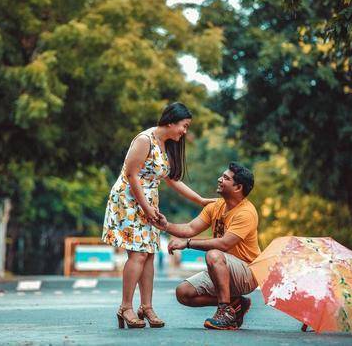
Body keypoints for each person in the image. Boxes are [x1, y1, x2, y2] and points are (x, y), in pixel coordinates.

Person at [101, 102, 215, 329]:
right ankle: (125, 307)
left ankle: (146, 306)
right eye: (184, 126)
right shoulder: (145, 140)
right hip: (129, 201)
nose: (185, 131)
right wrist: (145, 208)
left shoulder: (166, 145)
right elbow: (131, 175)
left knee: (150, 254)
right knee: (138, 256)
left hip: (148, 202)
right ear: (171, 121)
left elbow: (172, 179)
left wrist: (200, 200)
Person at [155, 162, 259, 330]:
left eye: (225, 178)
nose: (219, 179)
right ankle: (236, 303)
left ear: (238, 187)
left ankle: (225, 312)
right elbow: (190, 228)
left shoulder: (246, 213)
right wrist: (166, 226)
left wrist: (188, 244)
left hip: (246, 273)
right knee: (183, 293)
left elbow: (224, 244)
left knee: (214, 253)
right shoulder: (216, 206)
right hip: (222, 268)